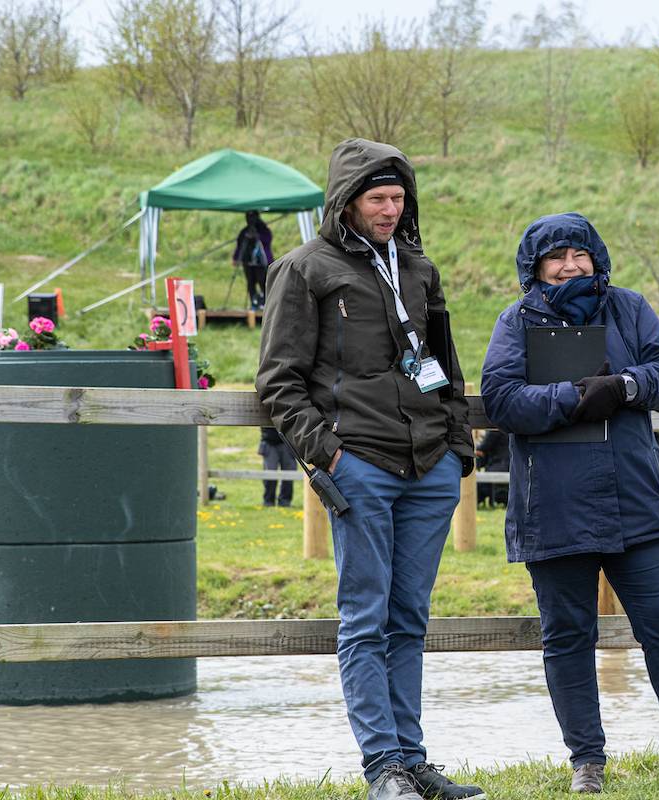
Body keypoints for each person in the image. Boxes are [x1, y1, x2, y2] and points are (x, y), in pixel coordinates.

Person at [481, 211, 659, 793]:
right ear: (535, 267)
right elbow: (502, 400)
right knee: (567, 636)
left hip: (634, 501)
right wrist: (576, 397)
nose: (569, 265)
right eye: (557, 257)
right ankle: (587, 762)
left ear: (596, 258)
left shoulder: (629, 307)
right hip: (553, 507)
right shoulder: (515, 321)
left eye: (579, 254)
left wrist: (624, 386)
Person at [256, 139, 481, 800]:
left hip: (430, 467)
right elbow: (278, 381)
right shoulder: (303, 270)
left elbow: (446, 367)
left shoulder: (419, 268)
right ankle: (383, 767)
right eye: (377, 198)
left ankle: (413, 762)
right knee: (365, 618)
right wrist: (329, 454)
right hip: (360, 467)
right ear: (346, 201)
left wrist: (458, 450)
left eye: (398, 197)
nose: (390, 209)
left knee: (410, 618)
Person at [232, 210, 274, 311]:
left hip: (262, 262)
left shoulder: (264, 230)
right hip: (248, 262)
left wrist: (257, 236)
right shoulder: (244, 232)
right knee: (250, 283)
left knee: (263, 282)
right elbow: (240, 245)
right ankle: (254, 302)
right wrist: (236, 257)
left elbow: (267, 240)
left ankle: (265, 303)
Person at [258, 426, 296, 507]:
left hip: (288, 441)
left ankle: (285, 502)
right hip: (269, 441)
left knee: (289, 474)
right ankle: (268, 501)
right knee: (269, 475)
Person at [475, 429, 510, 507]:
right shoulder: (505, 427)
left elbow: (484, 446)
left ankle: (473, 503)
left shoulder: (494, 428)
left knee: (478, 485)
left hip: (499, 466)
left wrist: (476, 447)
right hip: (506, 465)